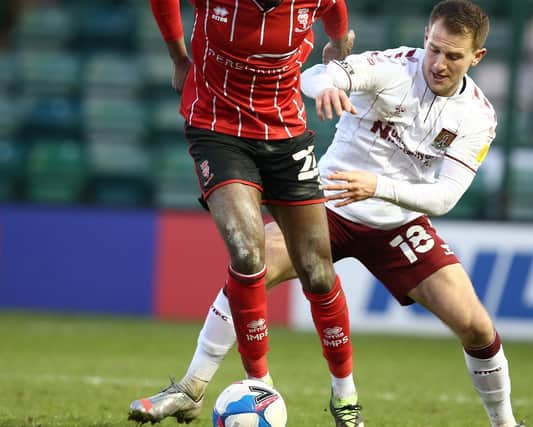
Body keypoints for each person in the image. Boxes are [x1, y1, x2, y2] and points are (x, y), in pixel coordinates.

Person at [131, 1, 525, 426]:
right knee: (251, 266)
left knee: (478, 327)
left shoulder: (478, 117)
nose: (439, 63)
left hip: (398, 226)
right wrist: (329, 85)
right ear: (425, 36)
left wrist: (377, 187)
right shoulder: (392, 67)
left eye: (453, 56)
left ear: (476, 58)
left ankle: (505, 424)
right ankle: (191, 387)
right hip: (331, 204)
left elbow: (445, 198)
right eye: (433, 48)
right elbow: (316, 74)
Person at [128, 0, 363, 426]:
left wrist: (336, 50)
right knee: (247, 251)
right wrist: (178, 55)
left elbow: (337, 18)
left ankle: (345, 396)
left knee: (318, 270)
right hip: (218, 128)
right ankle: (260, 385)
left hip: (286, 133)